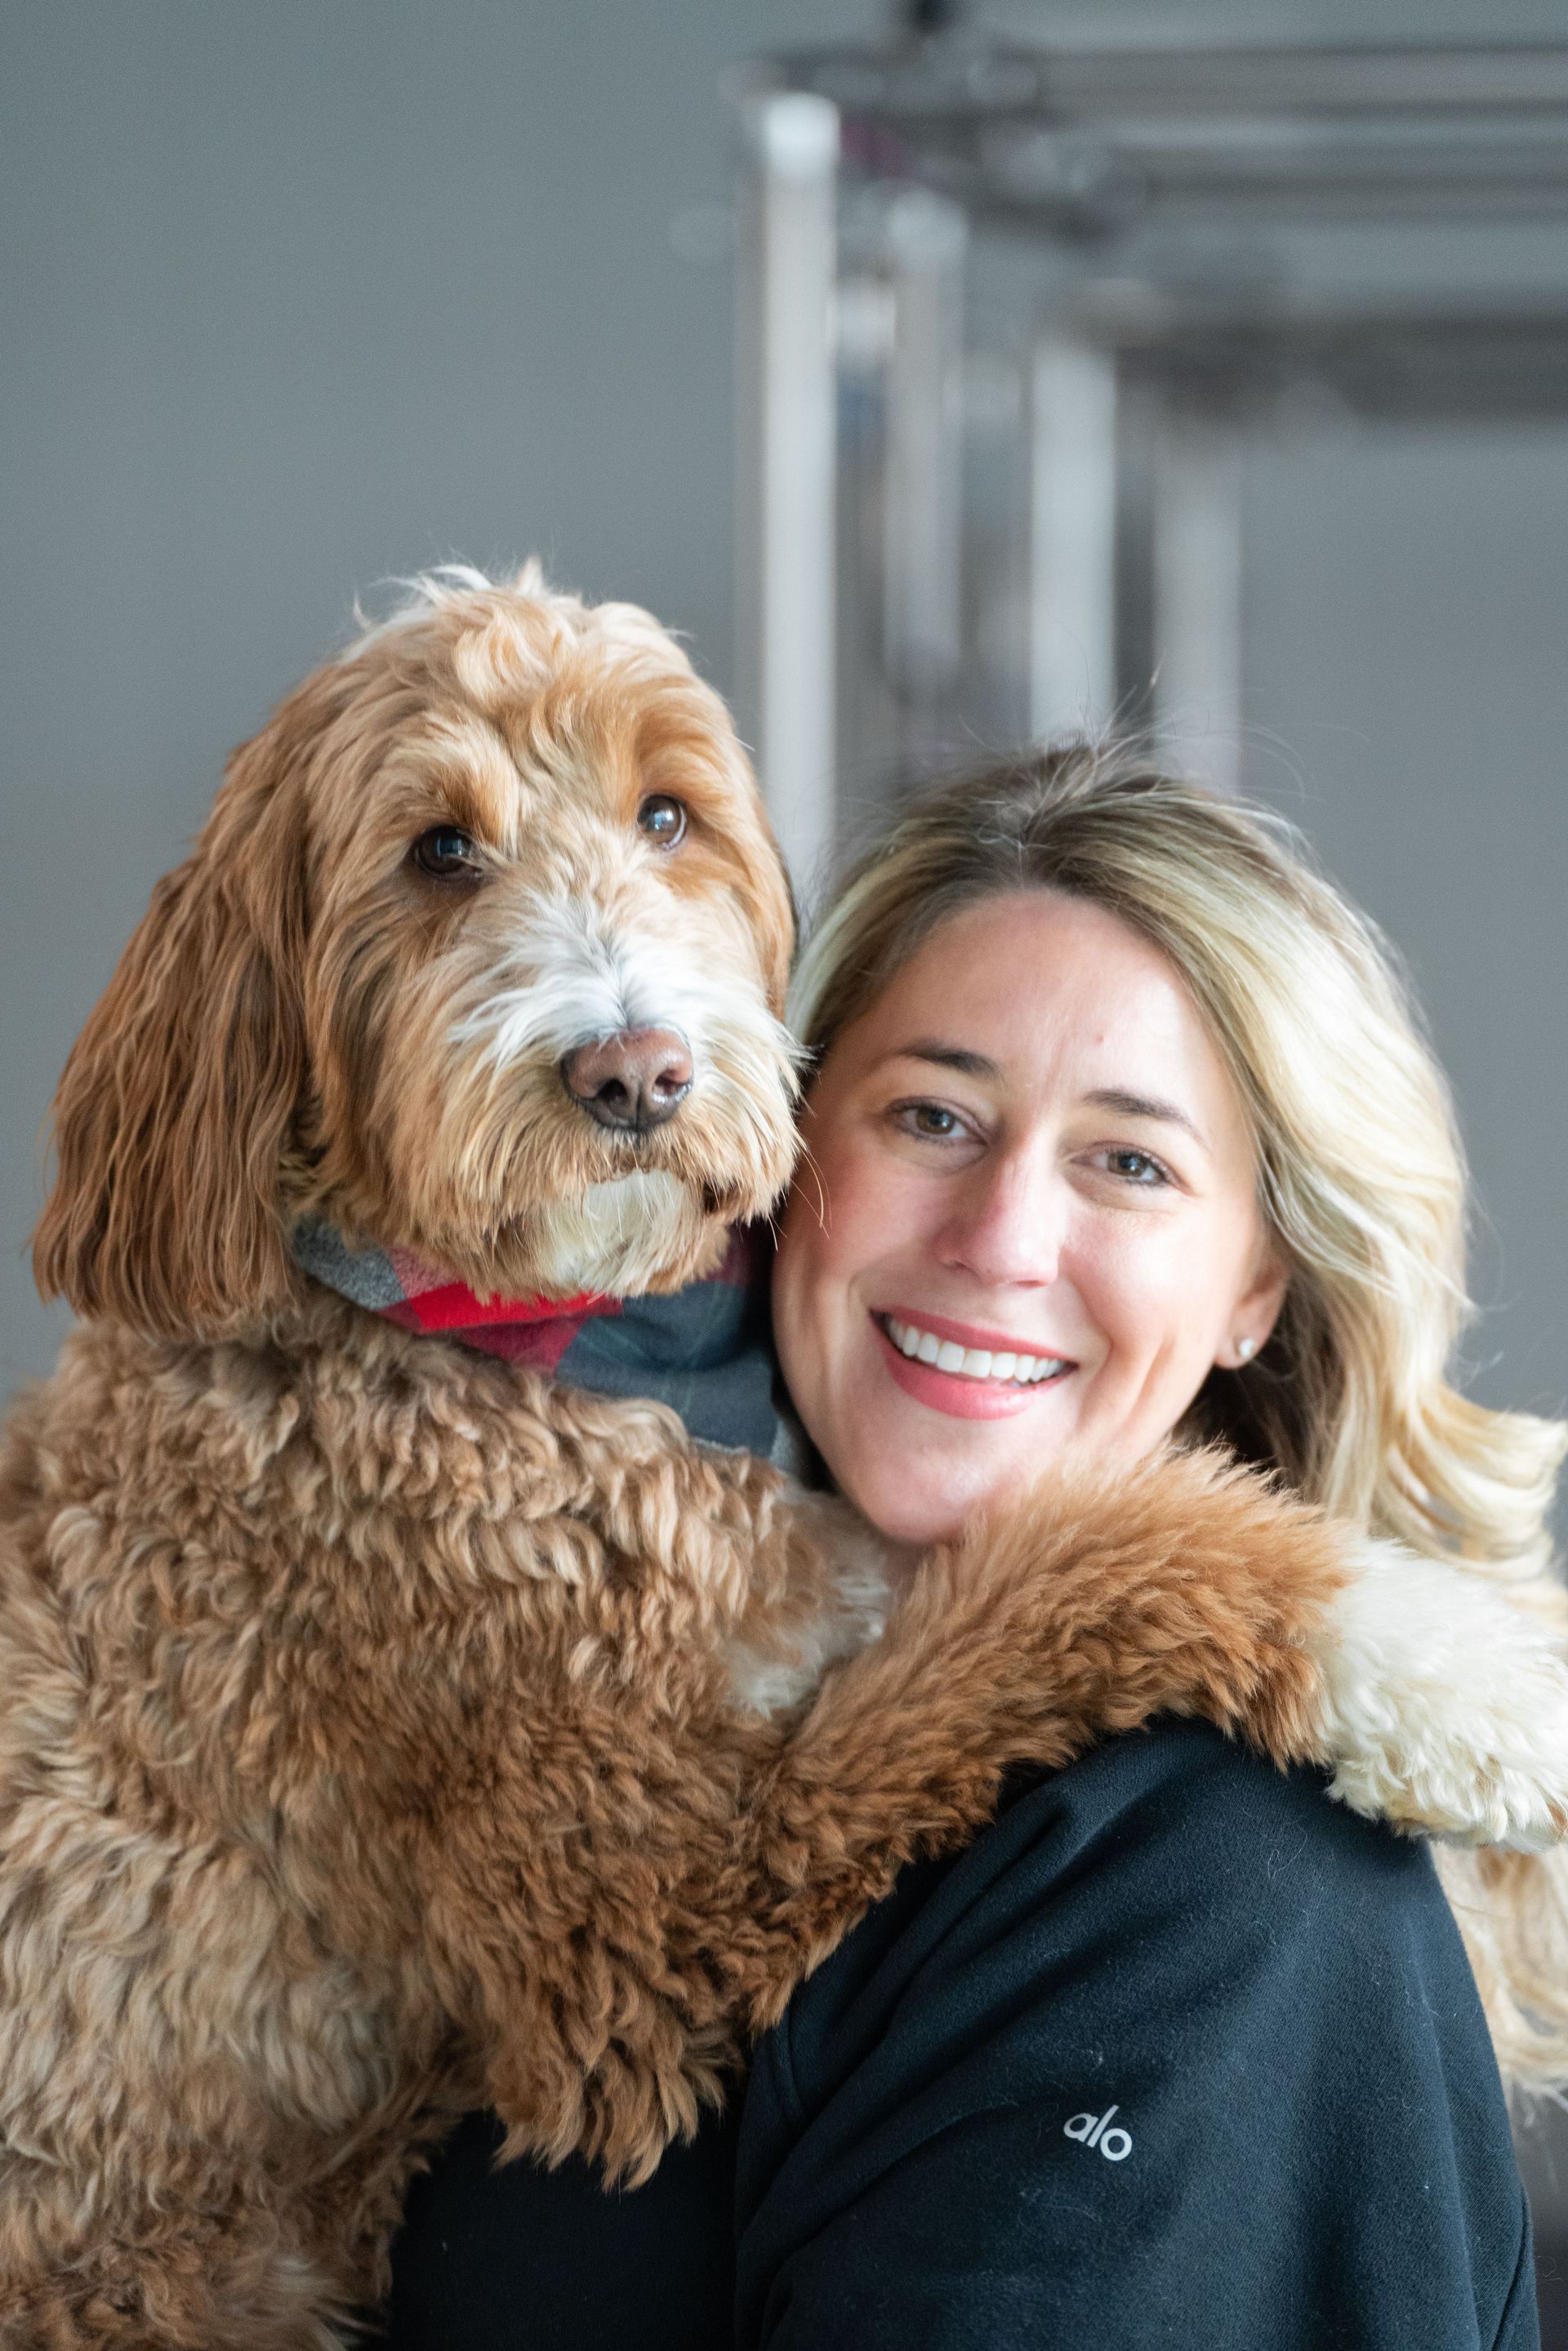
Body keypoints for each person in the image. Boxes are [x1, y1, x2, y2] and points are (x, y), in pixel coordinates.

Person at [385, 746, 1563, 2349]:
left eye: (1129, 1163)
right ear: (782, 1161)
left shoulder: (1209, 1880)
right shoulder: (523, 1751)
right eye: (933, 1115)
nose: (1002, 1237)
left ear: (1254, 1290)